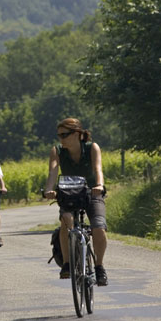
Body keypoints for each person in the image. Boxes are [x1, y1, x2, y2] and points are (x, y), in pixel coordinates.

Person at [43, 117, 108, 286]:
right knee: (66, 222)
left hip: (91, 192)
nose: (61, 139)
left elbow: (97, 169)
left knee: (98, 227)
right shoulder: (57, 150)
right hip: (68, 193)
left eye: (64, 135)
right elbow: (52, 172)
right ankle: (67, 263)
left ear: (78, 134)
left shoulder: (92, 147)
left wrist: (99, 185)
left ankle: (99, 267)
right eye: (59, 135)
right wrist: (49, 189)